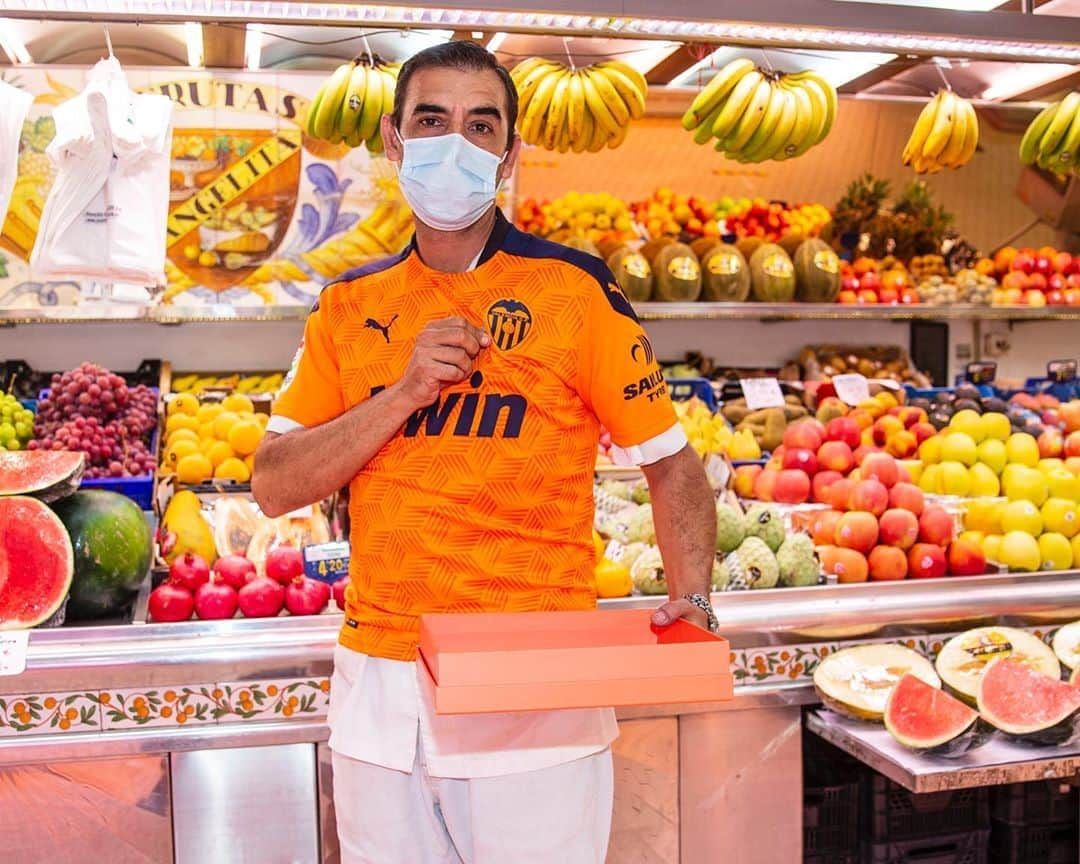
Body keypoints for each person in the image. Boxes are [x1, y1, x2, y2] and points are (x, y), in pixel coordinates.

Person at [253, 40, 718, 864]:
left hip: (536, 691)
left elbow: (673, 463)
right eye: (432, 120)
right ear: (395, 141)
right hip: (382, 691)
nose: (453, 144)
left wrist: (693, 600)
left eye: (480, 125)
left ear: (508, 154)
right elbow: (274, 484)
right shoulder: (346, 305)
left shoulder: (576, 292)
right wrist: (401, 395)